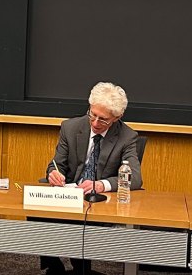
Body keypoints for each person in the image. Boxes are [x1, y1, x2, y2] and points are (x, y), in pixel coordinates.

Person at [41, 82, 142, 275]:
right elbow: (56, 164)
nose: (95, 123)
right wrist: (53, 174)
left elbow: (135, 178)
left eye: (103, 120)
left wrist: (100, 185)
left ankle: (81, 267)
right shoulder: (70, 127)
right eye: (92, 115)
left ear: (116, 118)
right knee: (37, 206)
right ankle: (53, 267)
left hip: (101, 203)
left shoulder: (127, 137)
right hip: (70, 194)